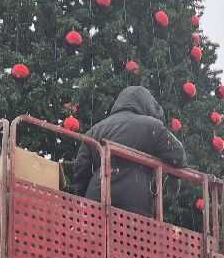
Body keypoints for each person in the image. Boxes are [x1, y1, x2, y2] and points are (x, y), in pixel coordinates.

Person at [71, 86, 187, 218]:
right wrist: (175, 178)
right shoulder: (151, 126)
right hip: (135, 205)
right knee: (131, 238)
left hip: (96, 203)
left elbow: (81, 171)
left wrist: (85, 201)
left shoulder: (94, 130)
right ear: (147, 105)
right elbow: (177, 154)